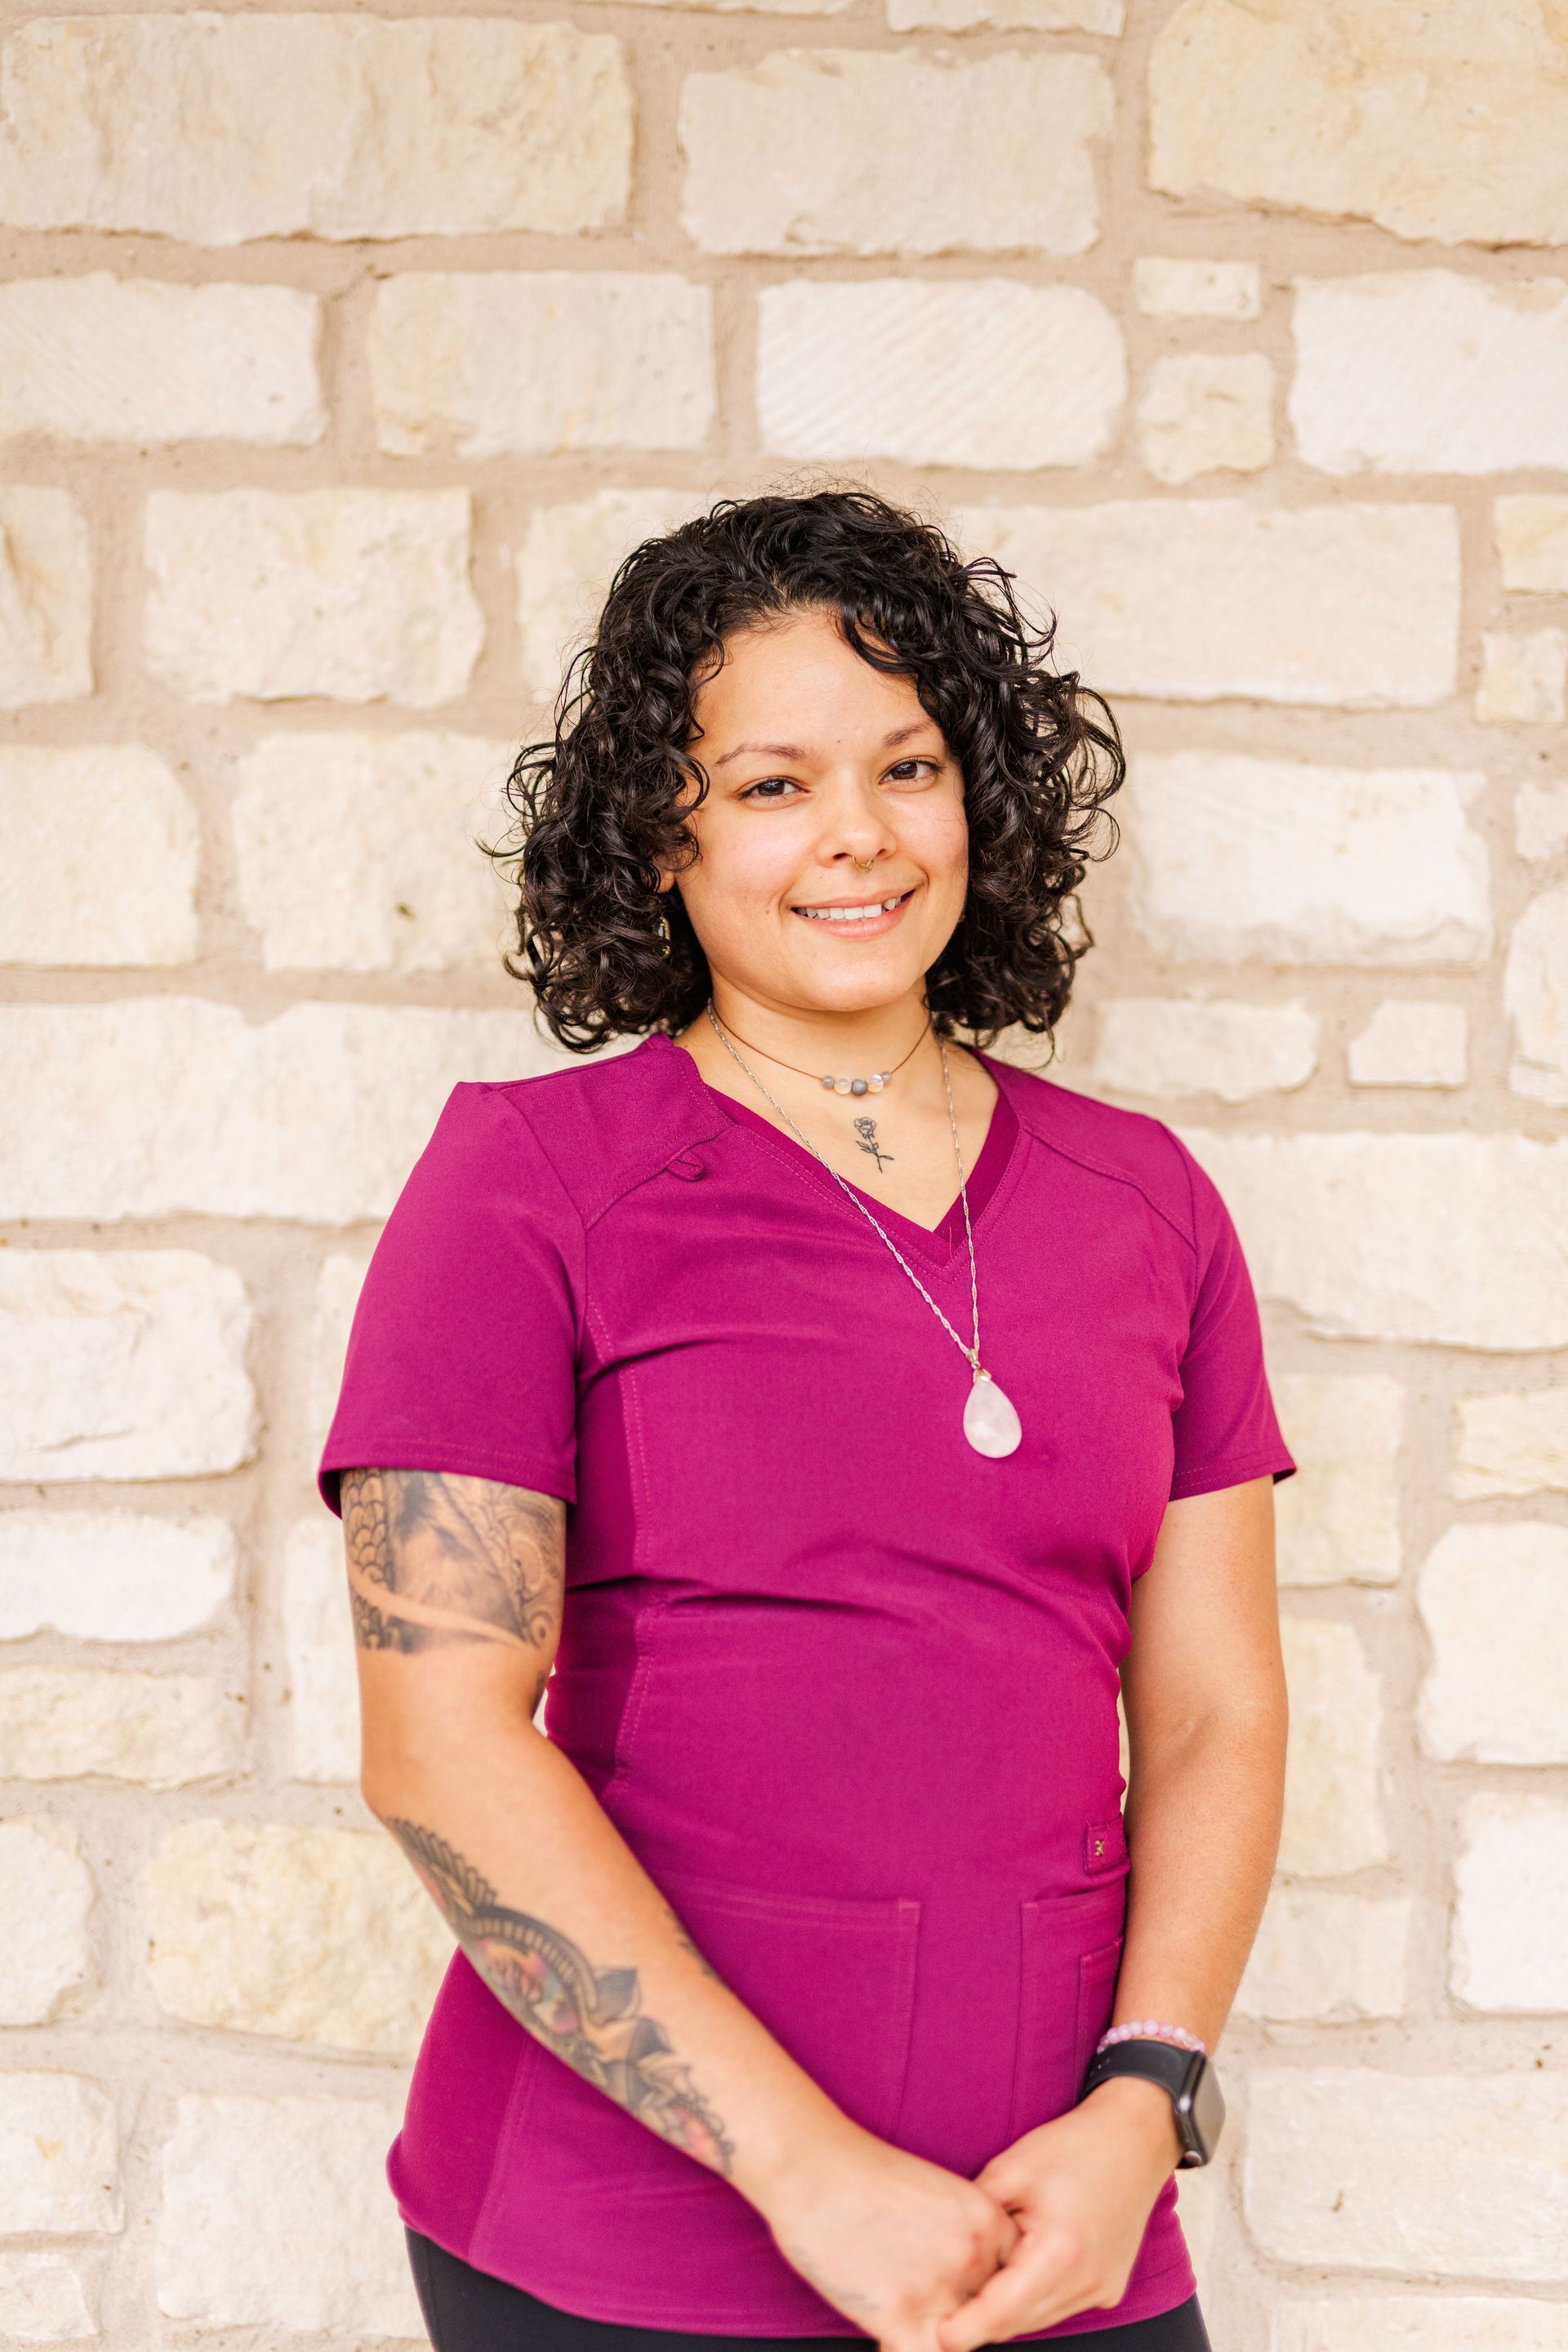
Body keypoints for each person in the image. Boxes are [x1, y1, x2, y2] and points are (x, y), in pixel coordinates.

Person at [318, 488, 1297, 2352]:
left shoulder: (1148, 1203)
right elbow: (440, 1742)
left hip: (1060, 2224)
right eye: (773, 785)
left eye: (908, 767)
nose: (859, 833)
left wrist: (1145, 2098)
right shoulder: (528, 1184)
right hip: (620, 2243)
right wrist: (804, 2172)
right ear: (659, 835)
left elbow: (1212, 1712)